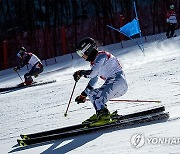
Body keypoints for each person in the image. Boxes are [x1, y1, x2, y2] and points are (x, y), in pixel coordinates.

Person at [73, 37, 128, 126]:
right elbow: (94, 79)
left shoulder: (101, 56)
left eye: (81, 53)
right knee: (92, 94)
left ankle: (104, 116)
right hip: (115, 84)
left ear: (88, 49)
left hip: (117, 81)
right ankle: (101, 112)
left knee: (98, 99)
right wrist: (83, 95)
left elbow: (92, 73)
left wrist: (81, 72)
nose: (82, 57)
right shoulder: (94, 62)